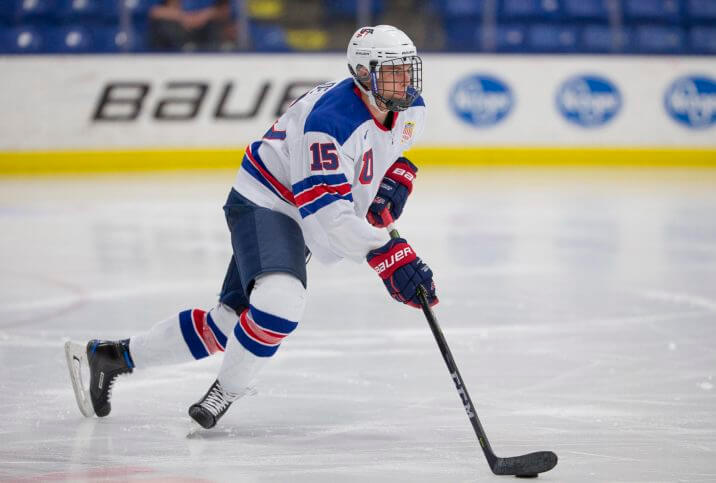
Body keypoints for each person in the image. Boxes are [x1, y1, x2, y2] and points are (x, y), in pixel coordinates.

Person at [65, 25, 438, 430]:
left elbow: (389, 149)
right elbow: (329, 217)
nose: (405, 81)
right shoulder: (330, 122)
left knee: (230, 322)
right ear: (364, 74)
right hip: (268, 200)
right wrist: (386, 254)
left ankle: (109, 357)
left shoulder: (409, 106)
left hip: (300, 205)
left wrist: (396, 175)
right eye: (392, 71)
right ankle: (226, 390)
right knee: (280, 302)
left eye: (407, 69)